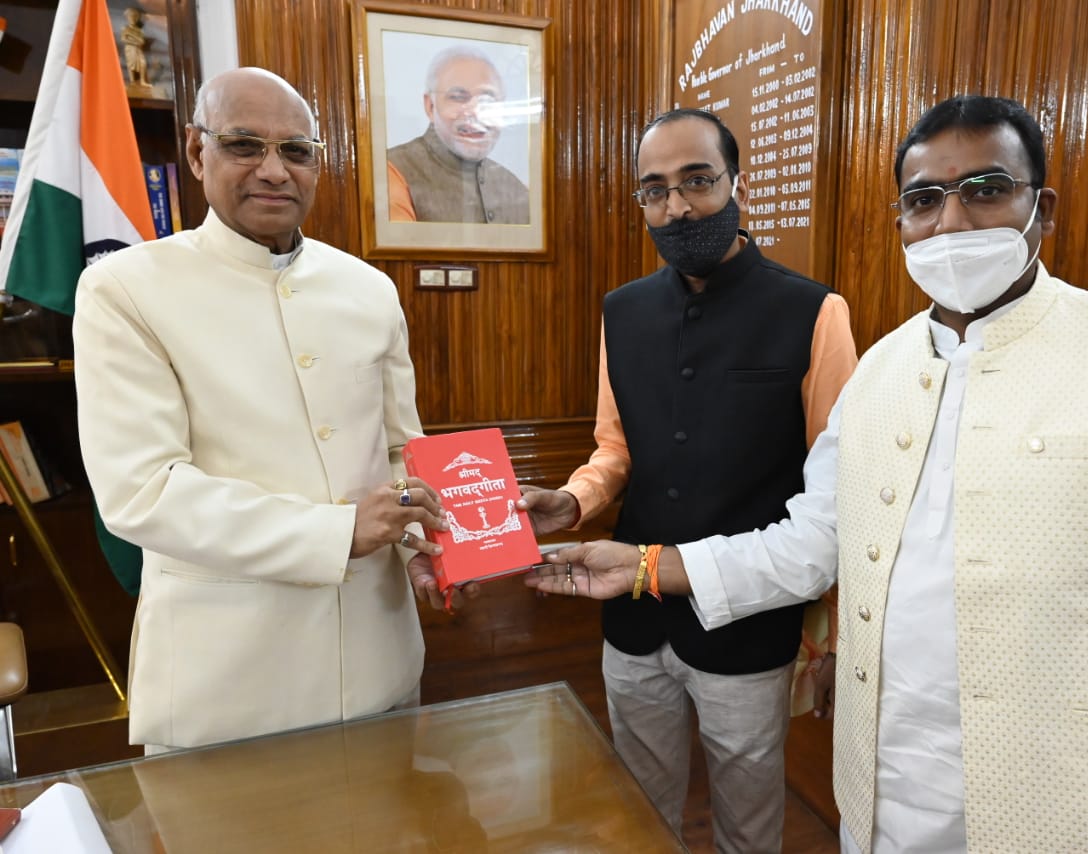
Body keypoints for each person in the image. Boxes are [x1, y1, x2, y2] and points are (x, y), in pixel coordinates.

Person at [530, 95, 1088, 854]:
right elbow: (812, 539)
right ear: (902, 222)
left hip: (1068, 805)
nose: (951, 223)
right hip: (884, 797)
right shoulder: (883, 371)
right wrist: (645, 565)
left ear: (1041, 207)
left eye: (985, 190)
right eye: (924, 200)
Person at [73, 67, 462, 753]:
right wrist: (337, 532)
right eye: (245, 145)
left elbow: (404, 453)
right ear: (198, 154)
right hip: (227, 681)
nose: (275, 171)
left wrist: (423, 548)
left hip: (380, 658)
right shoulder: (124, 289)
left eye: (296, 150)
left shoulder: (368, 289)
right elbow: (143, 492)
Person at [515, 108, 858, 852]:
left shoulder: (814, 311)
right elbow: (615, 448)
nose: (677, 206)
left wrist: (831, 634)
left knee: (748, 821)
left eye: (697, 181)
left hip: (750, 626)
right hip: (630, 616)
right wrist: (574, 500)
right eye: (655, 190)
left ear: (736, 183)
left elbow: (841, 491)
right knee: (637, 807)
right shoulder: (623, 311)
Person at [387, 46, 530, 225]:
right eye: (458, 97)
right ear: (430, 106)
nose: (475, 112)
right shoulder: (393, 171)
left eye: (488, 100)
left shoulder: (515, 188)